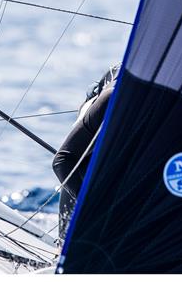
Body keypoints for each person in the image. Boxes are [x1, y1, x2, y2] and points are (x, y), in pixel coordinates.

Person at [52, 63, 120, 243]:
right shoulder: (112, 98)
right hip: (97, 110)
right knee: (83, 167)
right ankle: (63, 246)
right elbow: (63, 161)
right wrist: (93, 208)